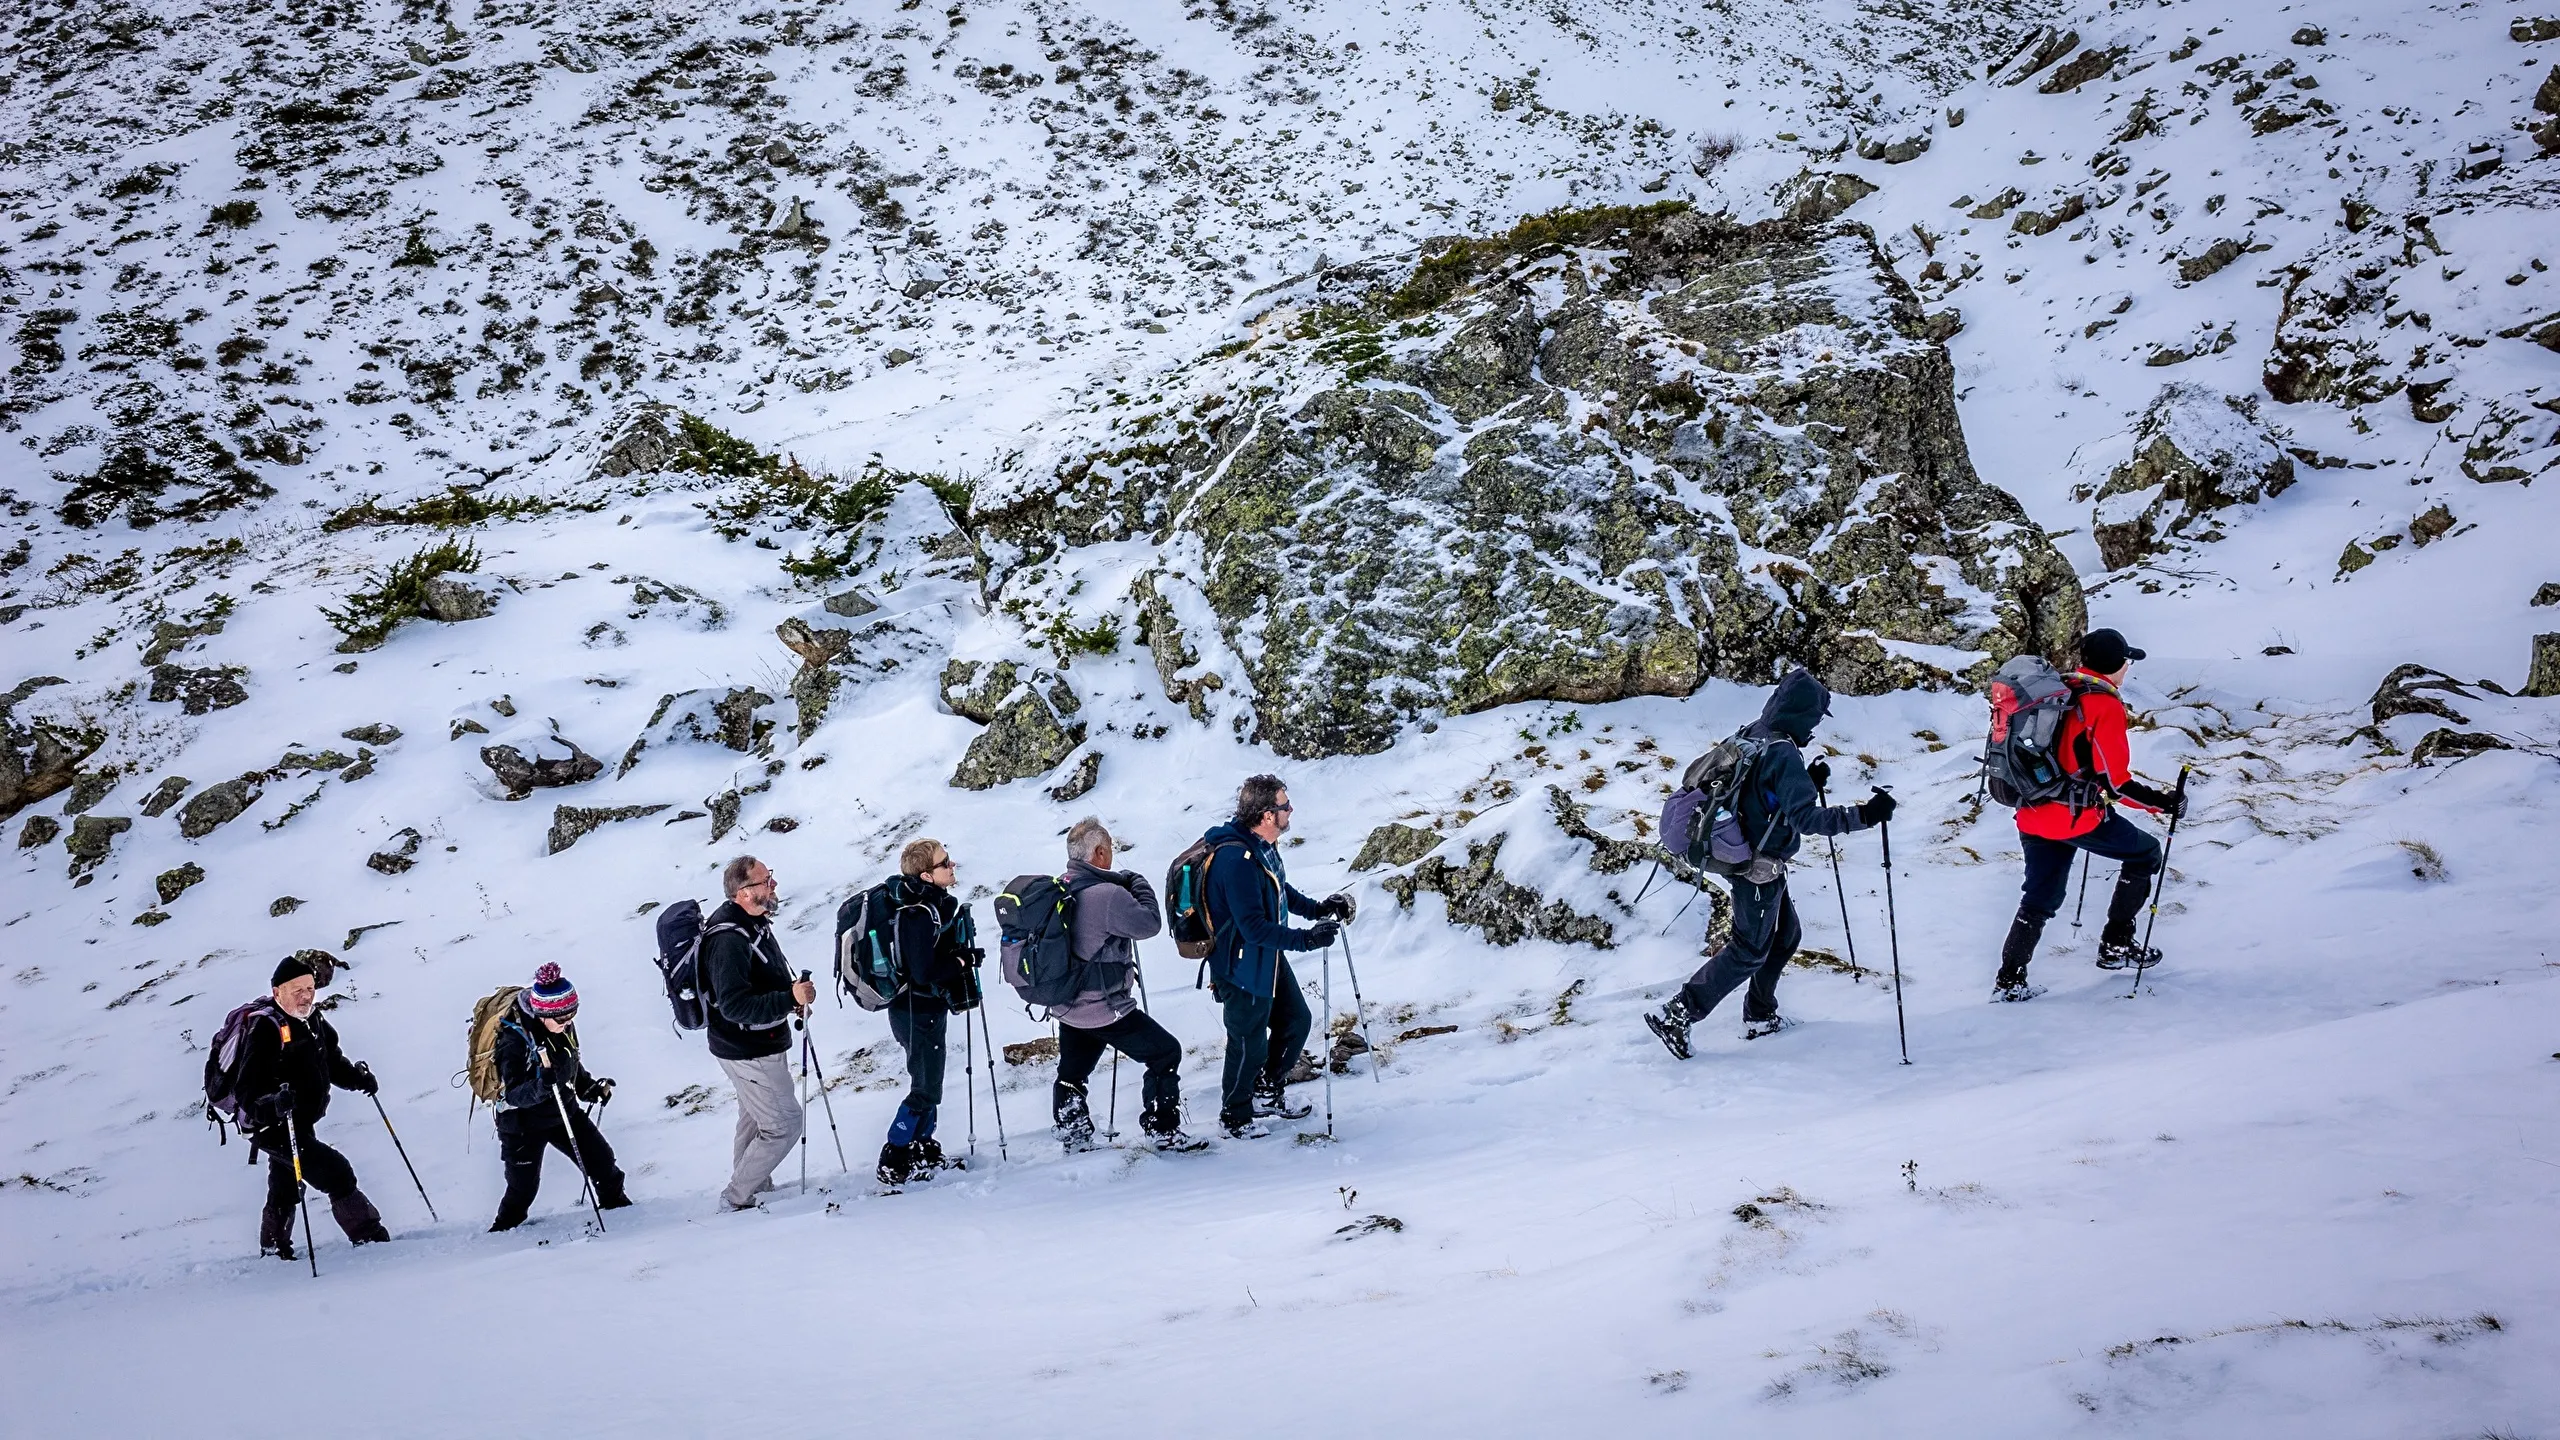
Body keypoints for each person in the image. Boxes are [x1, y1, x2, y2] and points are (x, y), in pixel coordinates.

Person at [1645, 669, 1890, 1059]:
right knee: (1749, 950)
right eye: (1814, 718)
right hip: (1756, 866)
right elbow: (1806, 819)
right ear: (1802, 715)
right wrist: (1866, 815)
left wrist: (1804, 780)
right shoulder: (1783, 752)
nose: (1815, 727)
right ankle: (1678, 1013)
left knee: (1786, 935)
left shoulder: (1754, 733)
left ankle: (1760, 1014)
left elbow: (1761, 792)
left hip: (1751, 853)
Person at [1994, 627, 2186, 1000]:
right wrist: (2163, 802)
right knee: (2145, 853)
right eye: (2127, 662)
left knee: (2038, 898)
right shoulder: (2104, 704)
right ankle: (2116, 945)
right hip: (2074, 816)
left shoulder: (2059, 689)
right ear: (2119, 665)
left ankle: (2009, 980)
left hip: (2032, 810)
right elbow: (2115, 782)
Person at [1199, 775, 1349, 1138]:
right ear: (1267, 815)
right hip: (1239, 965)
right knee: (1248, 1041)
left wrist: (1317, 909)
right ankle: (1234, 1115)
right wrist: (1307, 940)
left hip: (1266, 959)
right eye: (1284, 806)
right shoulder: (1235, 860)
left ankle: (1266, 1091)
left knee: (1297, 1020)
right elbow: (1252, 927)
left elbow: (1279, 890)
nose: (1290, 810)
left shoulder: (1263, 846)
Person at [1048, 817, 1206, 1152]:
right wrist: (1138, 882)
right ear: (1100, 852)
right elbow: (1148, 924)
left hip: (1067, 1004)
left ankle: (1073, 1132)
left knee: (1072, 1073)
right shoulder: (1106, 894)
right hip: (1105, 1008)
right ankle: (1163, 1130)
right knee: (1165, 1053)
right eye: (1112, 850)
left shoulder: (1060, 886)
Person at [235, 954, 391, 1259]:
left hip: (299, 1121)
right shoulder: (265, 1029)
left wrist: (359, 1079)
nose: (306, 996)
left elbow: (331, 1060)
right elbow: (246, 1090)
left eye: (310, 989)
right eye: (297, 991)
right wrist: (273, 1104)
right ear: (277, 991)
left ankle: (274, 1247)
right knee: (335, 1172)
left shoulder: (313, 1020)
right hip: (272, 1125)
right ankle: (369, 1237)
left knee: (285, 1184)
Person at [701, 854, 814, 1211]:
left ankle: (755, 1187)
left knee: (754, 1118)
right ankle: (737, 1196)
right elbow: (733, 1005)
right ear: (743, 893)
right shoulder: (728, 940)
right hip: (747, 1048)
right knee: (783, 1124)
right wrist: (787, 999)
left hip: (755, 1043)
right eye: (766, 880)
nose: (774, 885)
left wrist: (789, 998)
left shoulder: (754, 921)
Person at [872, 838, 984, 1186]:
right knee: (926, 1087)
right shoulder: (917, 914)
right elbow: (923, 971)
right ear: (926, 874)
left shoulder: (927, 905)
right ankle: (895, 1154)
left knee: (929, 1080)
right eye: (944, 863)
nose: (952, 867)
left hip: (921, 1009)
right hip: (915, 1010)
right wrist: (962, 961)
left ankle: (922, 1148)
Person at [488, 964, 629, 1231]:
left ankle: (621, 1216)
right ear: (543, 1013)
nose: (567, 1024)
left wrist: (589, 1088)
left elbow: (570, 1061)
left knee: (603, 1163)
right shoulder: (514, 1040)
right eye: (562, 1019)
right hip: (521, 1126)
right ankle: (502, 1235)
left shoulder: (562, 1026)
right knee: (522, 1189)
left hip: (563, 1111)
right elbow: (514, 1092)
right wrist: (542, 1085)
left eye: (571, 1016)